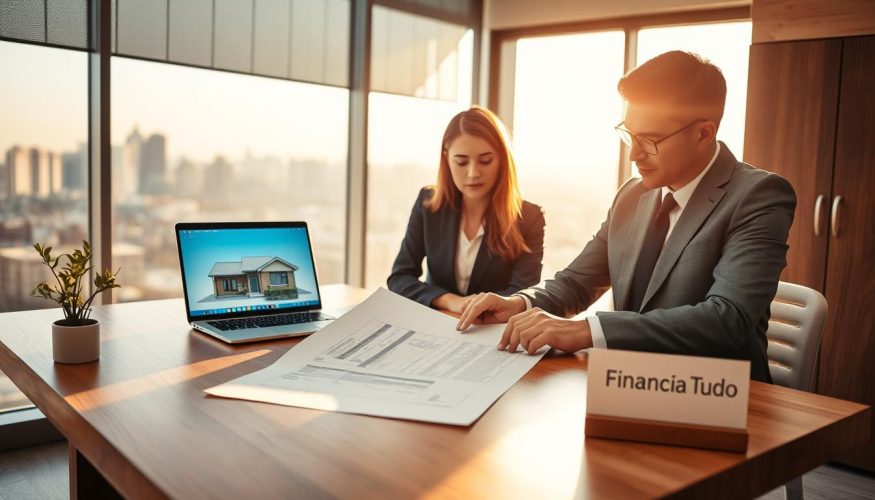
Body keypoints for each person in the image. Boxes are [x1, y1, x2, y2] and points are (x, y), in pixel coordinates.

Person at [456, 51, 796, 382]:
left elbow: (727, 319)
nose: (634, 154)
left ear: (703, 133)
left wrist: (588, 329)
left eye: (650, 140)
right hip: (627, 385)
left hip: (719, 399)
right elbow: (576, 282)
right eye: (629, 135)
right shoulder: (632, 196)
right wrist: (520, 303)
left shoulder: (758, 197)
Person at [388, 106, 545, 314]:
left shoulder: (529, 218)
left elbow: (521, 295)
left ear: (501, 159)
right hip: (438, 322)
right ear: (446, 158)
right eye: (461, 162)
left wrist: (478, 309)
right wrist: (450, 301)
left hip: (493, 330)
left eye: (485, 160)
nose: (473, 173)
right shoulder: (428, 204)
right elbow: (399, 278)